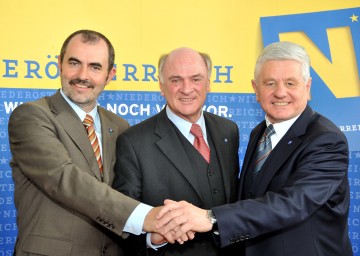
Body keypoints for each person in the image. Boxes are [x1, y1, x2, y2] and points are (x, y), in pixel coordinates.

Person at [156, 41, 353, 256]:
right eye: (270, 83)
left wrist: (210, 217)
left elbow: (292, 203)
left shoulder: (326, 139)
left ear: (307, 88)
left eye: (290, 83)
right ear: (255, 89)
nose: (280, 93)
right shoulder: (260, 132)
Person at [9, 29, 164, 256]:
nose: (83, 75)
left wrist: (152, 233)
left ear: (110, 75)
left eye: (95, 67)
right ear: (59, 64)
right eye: (74, 63)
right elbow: (64, 179)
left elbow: (125, 194)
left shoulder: (120, 127)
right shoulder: (31, 116)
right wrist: (145, 217)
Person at [113, 47, 240, 256]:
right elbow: (122, 218)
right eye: (175, 80)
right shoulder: (134, 142)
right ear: (161, 87)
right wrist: (152, 238)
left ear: (208, 83)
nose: (187, 89)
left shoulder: (228, 131)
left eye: (196, 79)